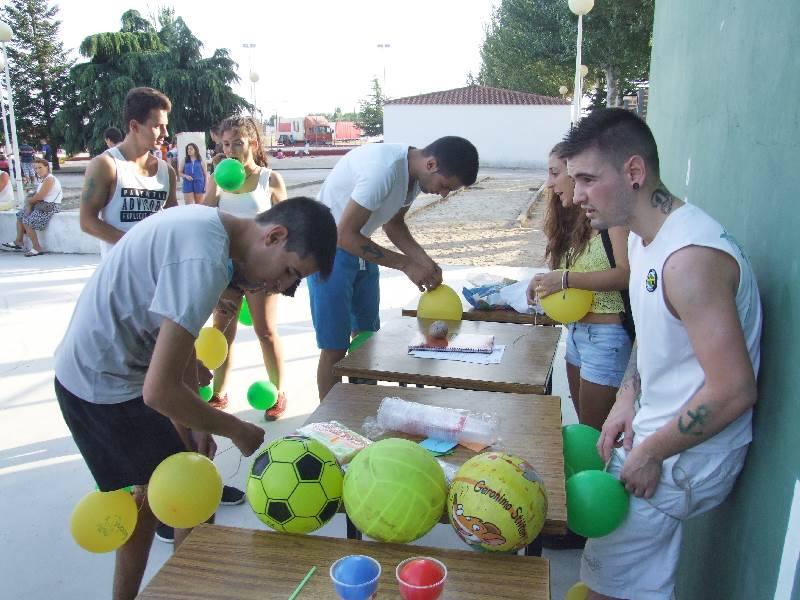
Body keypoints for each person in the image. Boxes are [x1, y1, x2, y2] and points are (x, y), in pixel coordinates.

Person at [54, 197, 337, 600]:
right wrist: (234, 427)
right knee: (182, 495)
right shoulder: (205, 261)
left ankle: (169, 589)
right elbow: (159, 390)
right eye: (288, 272)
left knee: (177, 485)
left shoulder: (210, 229)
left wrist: (196, 419)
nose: (278, 286)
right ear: (274, 235)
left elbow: (174, 336)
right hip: (103, 385)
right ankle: (180, 590)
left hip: (112, 373)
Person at [559, 108, 762, 600]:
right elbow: (652, 341)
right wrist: (627, 397)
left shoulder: (690, 260)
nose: (577, 195)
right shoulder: (645, 240)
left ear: (633, 172)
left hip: (689, 454)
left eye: (587, 179)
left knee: (610, 584)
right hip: (658, 430)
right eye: (574, 180)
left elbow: (735, 390)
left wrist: (651, 451)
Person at [309, 136, 479, 399]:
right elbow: (344, 235)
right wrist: (406, 264)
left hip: (359, 247)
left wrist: (424, 261)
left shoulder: (413, 177)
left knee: (366, 339)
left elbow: (394, 224)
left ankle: (361, 405)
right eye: (445, 185)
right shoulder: (384, 170)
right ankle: (326, 421)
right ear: (431, 164)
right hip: (328, 251)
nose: (443, 193)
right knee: (335, 346)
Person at [527, 142, 633, 431]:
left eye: (554, 173)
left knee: (595, 433)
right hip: (575, 335)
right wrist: (543, 284)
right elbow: (570, 284)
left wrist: (564, 279)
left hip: (607, 337)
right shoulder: (569, 224)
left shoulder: (611, 220)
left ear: (575, 174)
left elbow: (626, 274)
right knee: (586, 429)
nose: (549, 184)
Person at [204, 115, 289, 420]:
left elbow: (288, 227)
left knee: (265, 332)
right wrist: (214, 181)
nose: (231, 150)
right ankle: (218, 392)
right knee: (221, 332)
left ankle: (278, 393)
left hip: (260, 268)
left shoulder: (269, 179)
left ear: (252, 143)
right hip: (225, 267)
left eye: (237, 143)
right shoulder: (218, 177)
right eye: (225, 144)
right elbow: (203, 216)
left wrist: (282, 269)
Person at [79, 87, 177, 258]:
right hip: (120, 275)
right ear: (134, 126)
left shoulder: (167, 172)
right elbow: (87, 221)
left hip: (159, 272)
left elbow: (173, 220)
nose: (165, 133)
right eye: (157, 126)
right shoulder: (106, 165)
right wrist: (135, 246)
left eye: (166, 126)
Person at [2, 158, 63, 256]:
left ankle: (37, 247)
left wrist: (30, 203)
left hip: (49, 206)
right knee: (20, 215)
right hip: (41, 204)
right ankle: (19, 241)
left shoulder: (50, 179)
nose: (38, 170)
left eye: (40, 167)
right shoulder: (43, 179)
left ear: (47, 167)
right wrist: (30, 203)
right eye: (36, 168)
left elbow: (40, 196)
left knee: (27, 221)